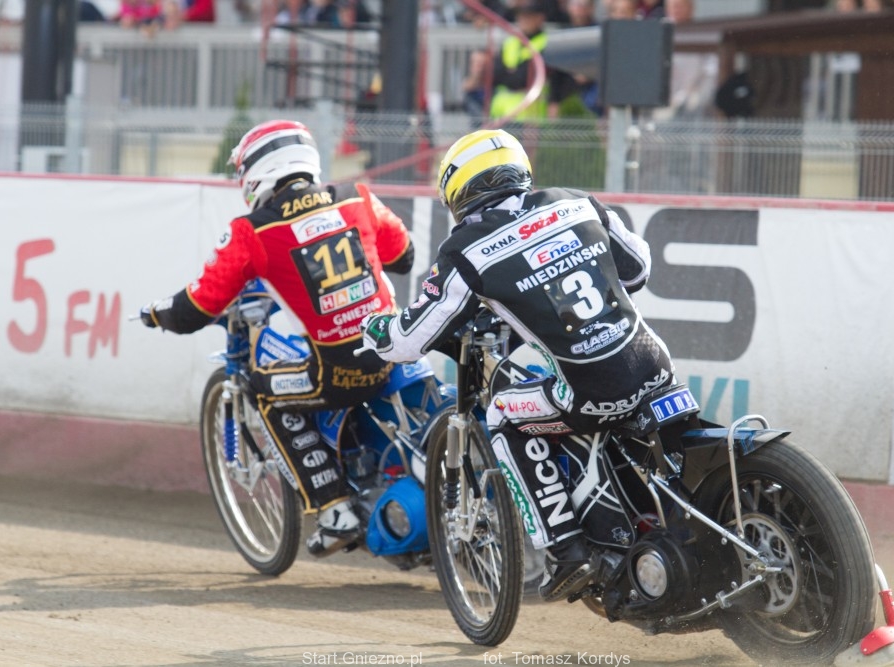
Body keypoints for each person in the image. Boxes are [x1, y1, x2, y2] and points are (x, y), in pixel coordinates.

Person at [358, 129, 676, 602]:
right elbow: (637, 270)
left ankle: (566, 550)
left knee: (504, 412)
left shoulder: (466, 247)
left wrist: (375, 328)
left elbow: (410, 339)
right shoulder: (576, 201)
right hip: (656, 364)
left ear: (459, 192)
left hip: (592, 392)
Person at [139, 120, 415, 557]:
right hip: (398, 350)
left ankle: (334, 512)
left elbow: (198, 306)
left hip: (339, 372)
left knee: (265, 390)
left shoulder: (253, 231)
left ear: (256, 171)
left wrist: (157, 313)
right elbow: (403, 256)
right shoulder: (357, 196)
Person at [489, 0, 550, 120]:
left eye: (528, 17)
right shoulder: (510, 42)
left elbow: (524, 78)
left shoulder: (546, 43)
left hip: (529, 114)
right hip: (500, 111)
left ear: (540, 18)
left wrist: (511, 73)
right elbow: (495, 74)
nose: (523, 20)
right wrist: (515, 75)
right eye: (521, 17)